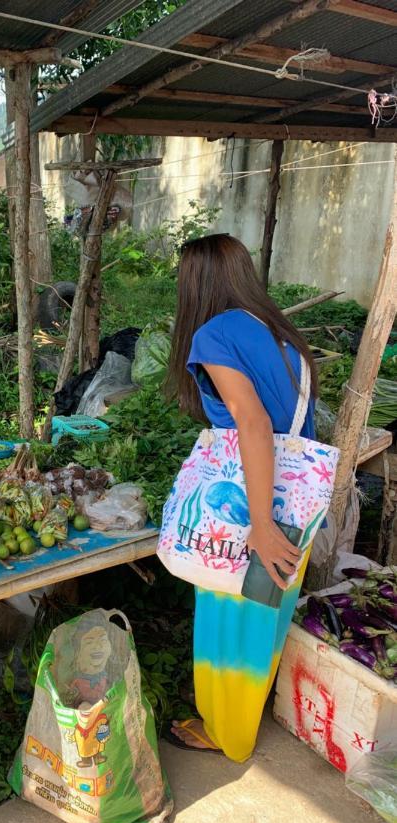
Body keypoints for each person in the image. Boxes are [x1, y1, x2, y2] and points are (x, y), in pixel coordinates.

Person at [162, 234, 317, 762]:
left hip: (250, 515)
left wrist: (261, 524)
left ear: (195, 284)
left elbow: (252, 421)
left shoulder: (213, 335)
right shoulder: (278, 332)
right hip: (299, 503)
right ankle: (242, 713)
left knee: (229, 626)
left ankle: (228, 733)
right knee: (263, 620)